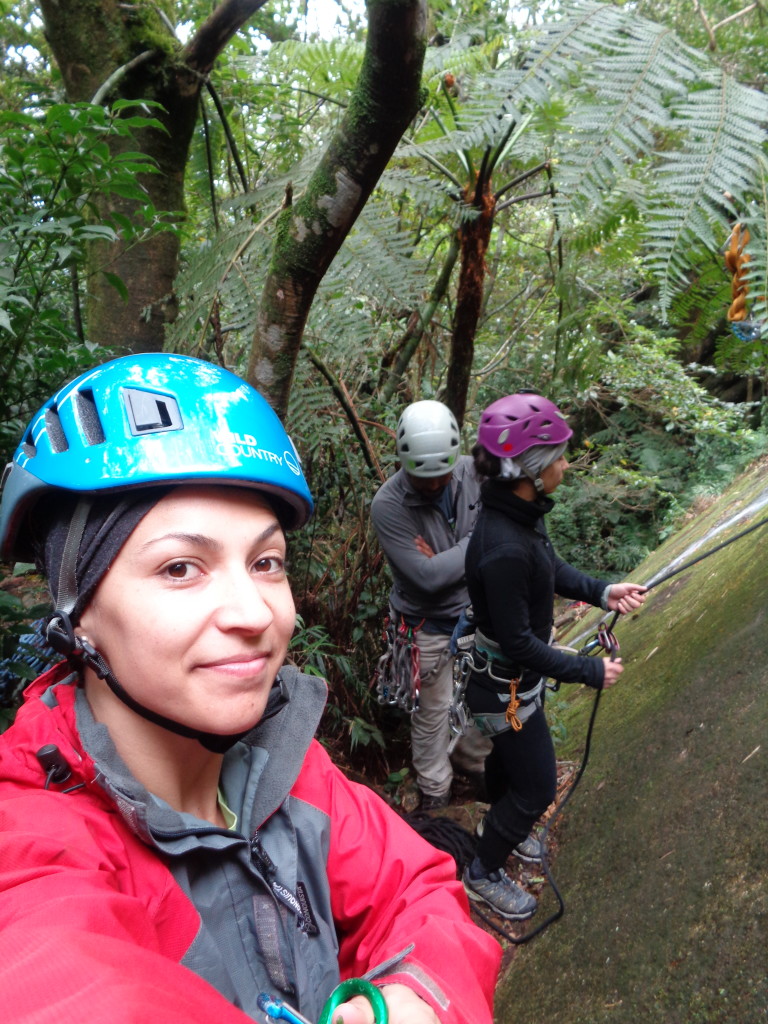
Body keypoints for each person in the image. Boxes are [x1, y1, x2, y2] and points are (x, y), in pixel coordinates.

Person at [0, 354, 500, 1024]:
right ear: (77, 611)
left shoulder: (285, 769)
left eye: (266, 562)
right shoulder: (32, 842)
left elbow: (417, 887)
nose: (259, 613)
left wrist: (415, 996)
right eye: (181, 567)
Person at [460, 392, 647, 920]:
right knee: (538, 784)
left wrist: (603, 591)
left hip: (511, 683)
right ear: (532, 471)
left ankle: (503, 827)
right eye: (559, 457)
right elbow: (519, 641)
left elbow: (552, 568)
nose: (566, 464)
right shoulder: (503, 547)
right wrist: (588, 670)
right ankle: (482, 870)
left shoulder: (519, 518)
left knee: (513, 769)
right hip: (506, 690)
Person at [370, 400, 491, 811]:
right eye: (425, 478)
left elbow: (499, 534)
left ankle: (472, 763)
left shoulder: (473, 475)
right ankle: (434, 790)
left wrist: (449, 554)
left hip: (477, 612)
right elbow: (428, 578)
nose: (436, 485)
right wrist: (476, 542)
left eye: (442, 474)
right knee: (432, 711)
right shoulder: (389, 505)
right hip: (424, 625)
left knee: (493, 694)